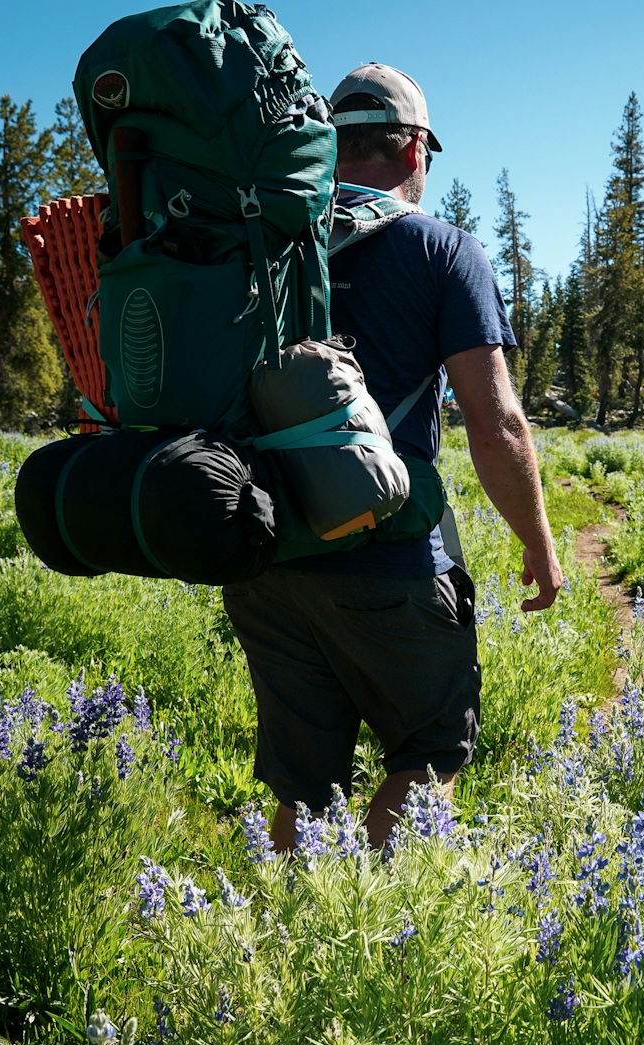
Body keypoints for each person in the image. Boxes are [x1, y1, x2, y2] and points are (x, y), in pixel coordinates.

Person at [224, 62, 562, 851]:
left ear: (328, 149)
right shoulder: (442, 251)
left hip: (264, 552)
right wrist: (538, 541)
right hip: (387, 553)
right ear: (414, 151)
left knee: (306, 784)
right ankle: (366, 939)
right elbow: (497, 423)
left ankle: (284, 952)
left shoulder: (263, 247)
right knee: (431, 746)